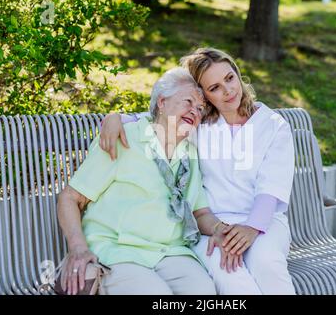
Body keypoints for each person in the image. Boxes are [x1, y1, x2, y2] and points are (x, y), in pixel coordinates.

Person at [100, 48, 296, 295]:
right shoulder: (198, 126)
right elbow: (152, 120)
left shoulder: (273, 125)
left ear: (237, 73)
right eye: (214, 88)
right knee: (230, 277)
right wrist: (115, 117)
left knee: (266, 263)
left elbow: (271, 186)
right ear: (203, 96)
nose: (228, 90)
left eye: (229, 78)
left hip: (264, 223)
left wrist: (252, 227)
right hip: (212, 225)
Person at [57, 67, 222, 295]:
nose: (195, 111)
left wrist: (222, 231)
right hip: (118, 250)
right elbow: (70, 197)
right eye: (188, 102)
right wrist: (78, 248)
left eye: (200, 108)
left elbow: (200, 213)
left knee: (205, 293)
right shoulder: (124, 138)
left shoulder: (189, 154)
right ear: (162, 103)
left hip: (171, 252)